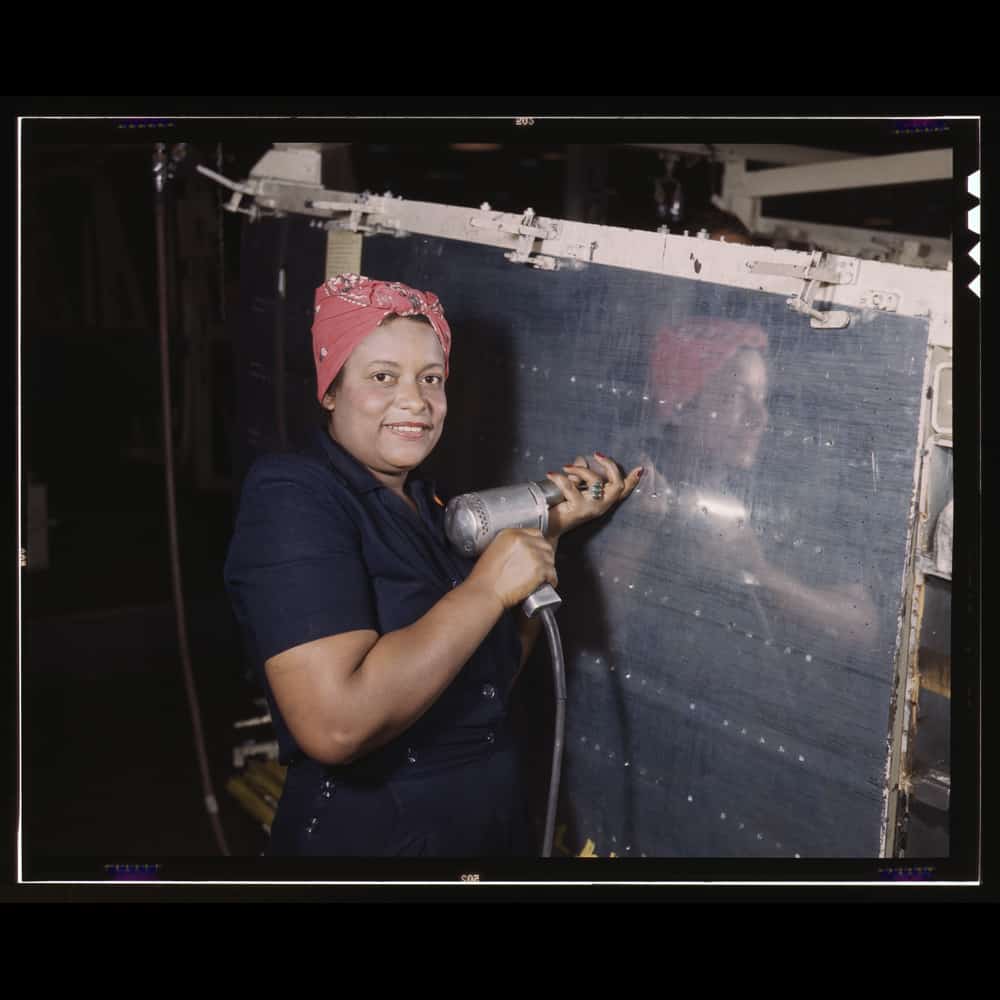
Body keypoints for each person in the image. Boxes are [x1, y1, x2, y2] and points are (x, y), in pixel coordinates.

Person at [224, 273, 642, 856]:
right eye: (381, 377)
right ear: (329, 390)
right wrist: (486, 590)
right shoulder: (292, 496)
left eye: (431, 379)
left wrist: (553, 535)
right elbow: (335, 724)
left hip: (484, 832)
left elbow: (485, 679)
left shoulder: (430, 505)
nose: (415, 400)